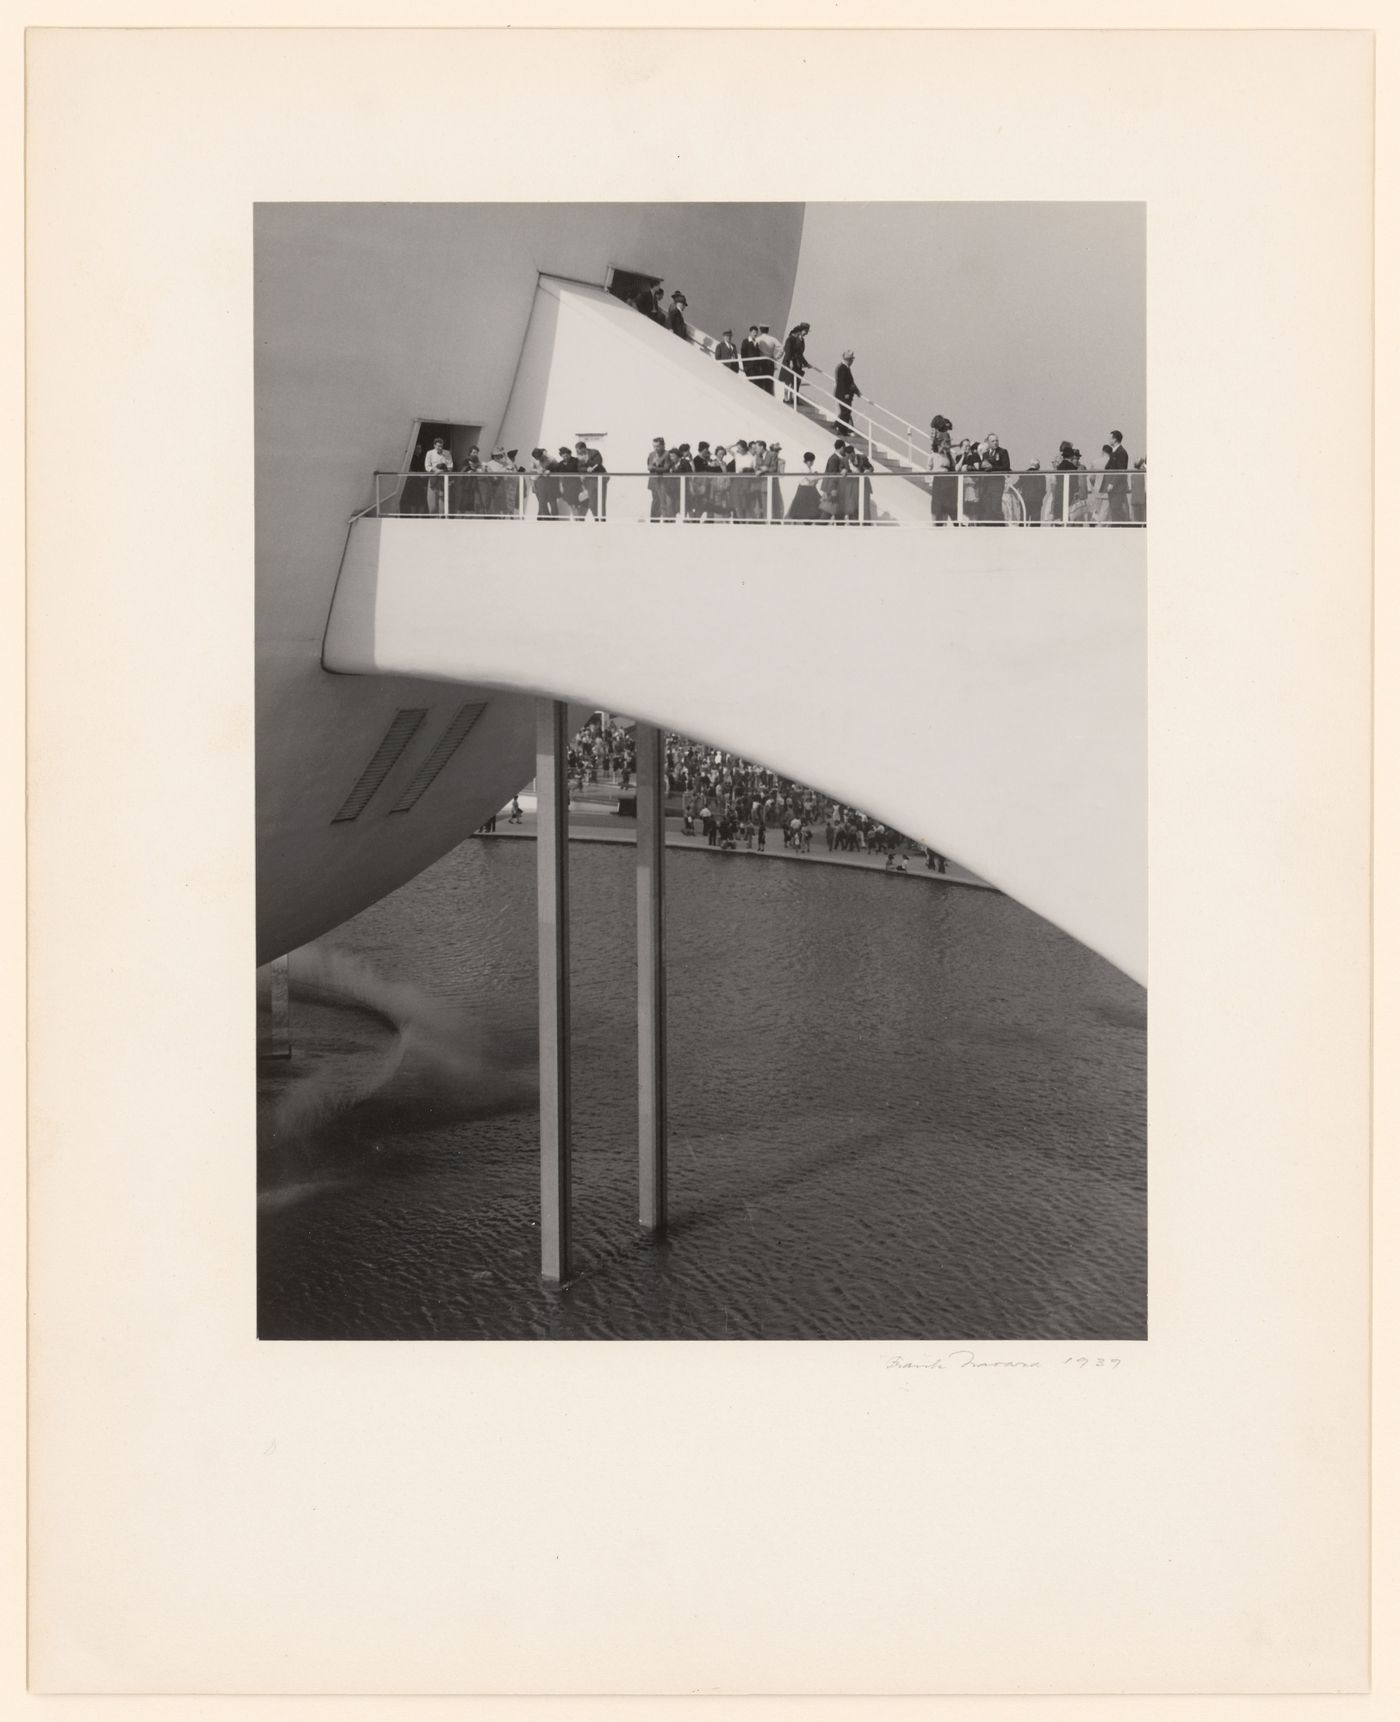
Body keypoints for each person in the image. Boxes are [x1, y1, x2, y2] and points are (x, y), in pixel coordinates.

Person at [979, 432, 1011, 525]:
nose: (995, 443)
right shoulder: (985, 454)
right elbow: (982, 468)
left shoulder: (1003, 452)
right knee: (987, 507)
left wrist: (992, 468)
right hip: (987, 485)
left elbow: (1006, 467)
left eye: (997, 440)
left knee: (996, 507)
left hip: (997, 484)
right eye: (993, 441)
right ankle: (989, 528)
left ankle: (1000, 527)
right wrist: (983, 466)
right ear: (988, 443)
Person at [787, 451, 823, 521]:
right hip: (805, 490)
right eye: (812, 461)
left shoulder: (807, 468)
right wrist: (821, 476)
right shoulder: (804, 468)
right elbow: (810, 478)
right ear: (810, 461)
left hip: (809, 489)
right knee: (806, 509)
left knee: (810, 509)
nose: (813, 463)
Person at [575, 441, 607, 521]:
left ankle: (602, 521)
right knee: (592, 503)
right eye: (577, 451)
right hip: (590, 480)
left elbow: (599, 463)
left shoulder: (594, 452)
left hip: (600, 479)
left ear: (584, 448)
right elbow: (579, 468)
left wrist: (586, 461)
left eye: (580, 450)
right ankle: (597, 519)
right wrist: (586, 469)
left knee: (601, 501)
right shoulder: (579, 456)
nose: (579, 452)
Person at [1104, 430, 1130, 524]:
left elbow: (1121, 469)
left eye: (1110, 438)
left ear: (1114, 439)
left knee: (1116, 509)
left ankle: (1124, 530)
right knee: (1114, 510)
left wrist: (1112, 483)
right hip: (1114, 488)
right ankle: (1118, 530)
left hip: (1117, 488)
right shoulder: (1115, 452)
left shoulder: (1121, 452)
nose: (1108, 440)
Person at [780, 322, 809, 404]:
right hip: (790, 362)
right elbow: (788, 351)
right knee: (788, 380)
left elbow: (800, 354)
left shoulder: (801, 340)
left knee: (795, 381)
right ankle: (786, 398)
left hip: (797, 363)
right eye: (805, 331)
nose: (806, 333)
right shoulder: (791, 339)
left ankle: (793, 398)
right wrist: (789, 362)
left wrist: (805, 363)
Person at [424, 436, 453, 515]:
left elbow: (450, 466)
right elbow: (427, 466)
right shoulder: (429, 453)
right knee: (432, 500)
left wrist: (442, 470)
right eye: (438, 446)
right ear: (434, 445)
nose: (440, 448)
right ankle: (433, 519)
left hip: (443, 478)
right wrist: (436, 470)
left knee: (442, 498)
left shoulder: (447, 453)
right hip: (433, 477)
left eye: (441, 446)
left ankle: (442, 518)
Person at [822, 439, 849, 522]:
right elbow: (832, 474)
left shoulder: (838, 458)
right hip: (833, 488)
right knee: (828, 510)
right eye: (844, 448)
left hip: (837, 488)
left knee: (837, 510)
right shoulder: (834, 458)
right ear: (841, 448)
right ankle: (821, 526)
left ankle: (839, 525)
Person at [1013, 459, 1047, 526]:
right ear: (1038, 465)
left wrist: (1009, 487)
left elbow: (1017, 485)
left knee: (1023, 520)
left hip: (1025, 500)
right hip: (1036, 501)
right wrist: (1041, 498)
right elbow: (1043, 489)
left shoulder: (1024, 474)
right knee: (1035, 523)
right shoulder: (1041, 475)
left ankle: (1022, 535)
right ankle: (1034, 536)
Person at [834, 350, 861, 432]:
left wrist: (857, 392)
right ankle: (840, 428)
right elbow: (842, 383)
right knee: (846, 411)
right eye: (851, 359)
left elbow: (850, 383)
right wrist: (845, 393)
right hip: (843, 395)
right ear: (848, 360)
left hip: (846, 395)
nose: (852, 361)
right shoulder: (842, 368)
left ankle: (840, 427)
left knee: (846, 411)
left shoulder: (846, 368)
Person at [646, 436, 671, 523]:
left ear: (663, 445)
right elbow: (649, 467)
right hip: (654, 481)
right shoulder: (651, 454)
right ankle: (653, 520)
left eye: (657, 446)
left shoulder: (667, 454)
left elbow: (666, 468)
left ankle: (666, 520)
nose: (655, 448)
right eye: (654, 446)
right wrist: (653, 466)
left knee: (663, 501)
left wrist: (655, 467)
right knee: (655, 501)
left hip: (663, 482)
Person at [755, 323, 781, 393]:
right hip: (770, 361)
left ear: (760, 330)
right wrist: (776, 357)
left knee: (760, 380)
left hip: (760, 361)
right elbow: (782, 349)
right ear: (768, 330)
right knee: (768, 382)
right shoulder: (772, 339)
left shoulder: (757, 339)